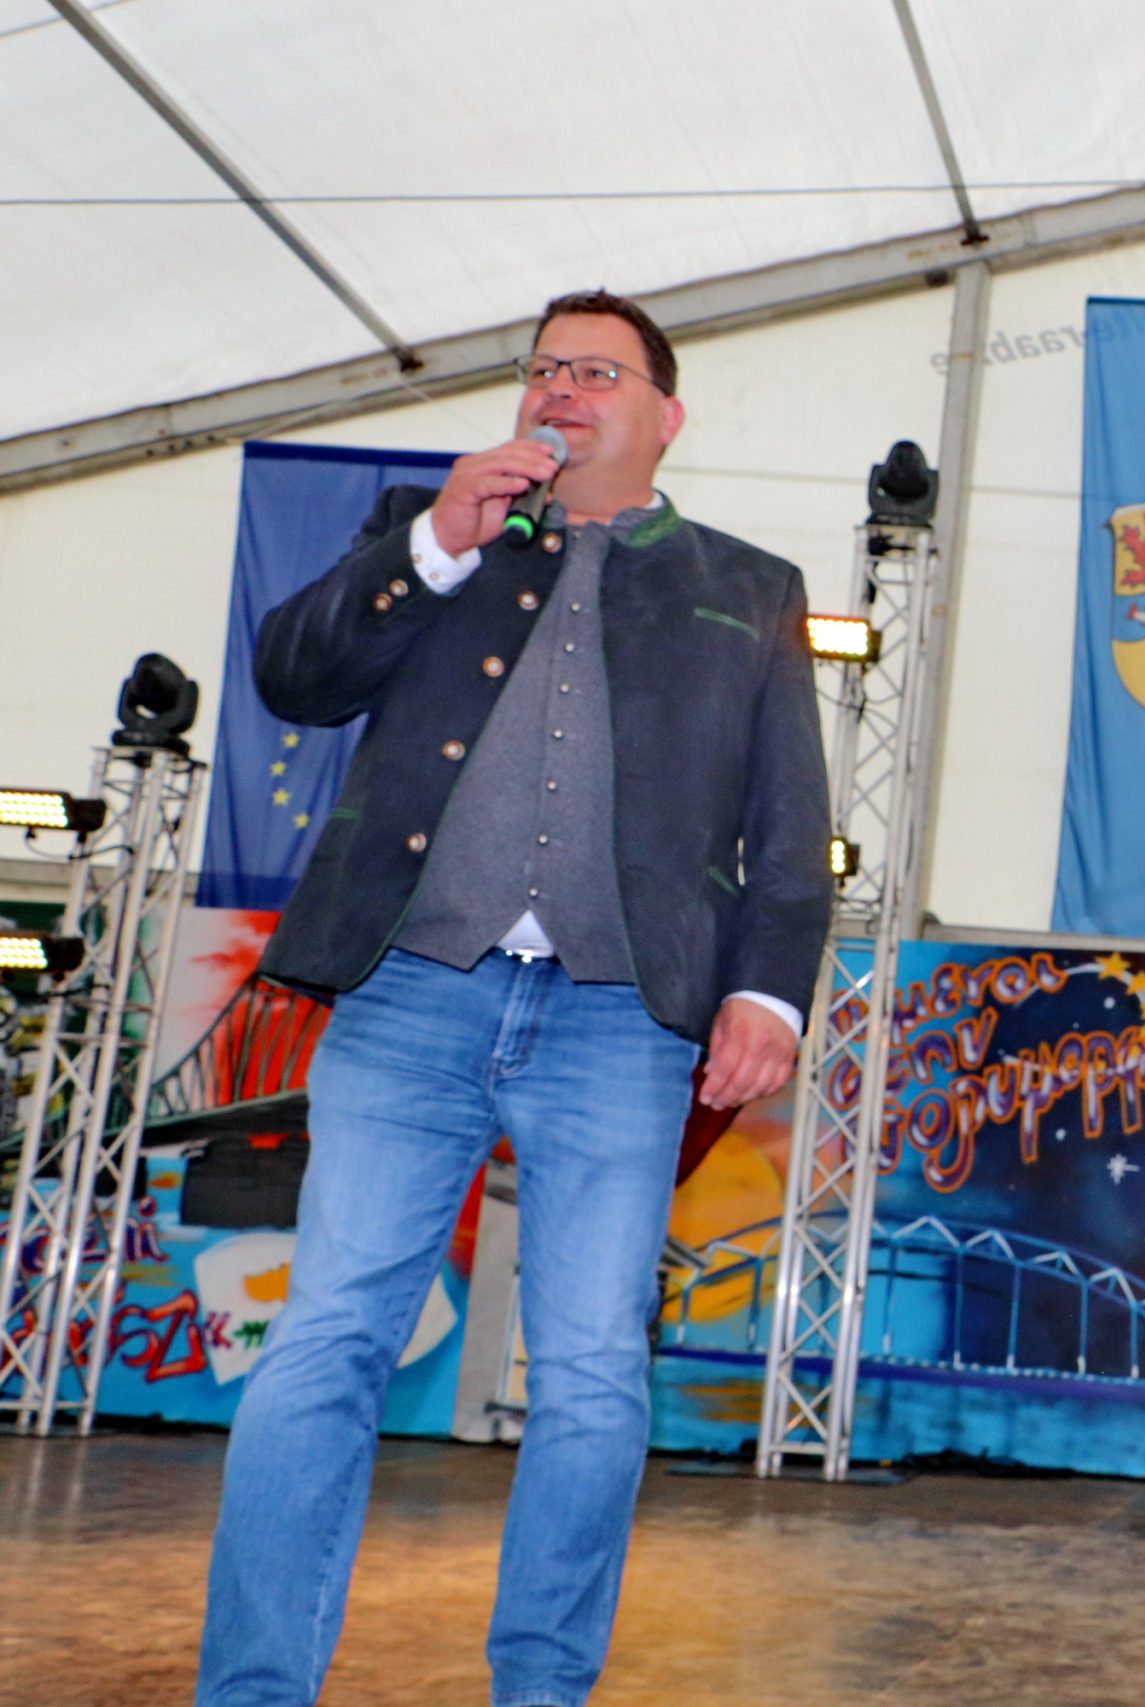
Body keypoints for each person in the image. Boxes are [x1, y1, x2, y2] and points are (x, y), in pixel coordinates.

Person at [196, 289, 830, 1707]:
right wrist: (434, 541)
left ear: (665, 415)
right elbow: (292, 677)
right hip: (413, 991)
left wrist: (771, 997)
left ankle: (542, 1690)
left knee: (593, 1366)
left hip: (621, 1019)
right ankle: (252, 1689)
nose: (561, 389)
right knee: (330, 1334)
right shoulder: (429, 538)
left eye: (596, 371)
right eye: (545, 368)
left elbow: (792, 828)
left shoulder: (749, 585)